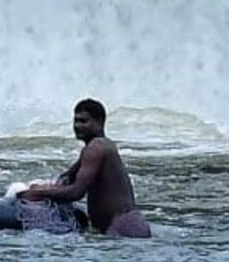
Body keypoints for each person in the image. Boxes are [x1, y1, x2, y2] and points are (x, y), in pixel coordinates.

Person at [18, 98, 152, 238]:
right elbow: (68, 177)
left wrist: (38, 194)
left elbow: (76, 192)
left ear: (99, 123)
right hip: (125, 226)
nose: (77, 126)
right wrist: (48, 187)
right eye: (75, 121)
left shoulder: (96, 147)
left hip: (123, 228)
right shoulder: (99, 146)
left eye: (84, 121)